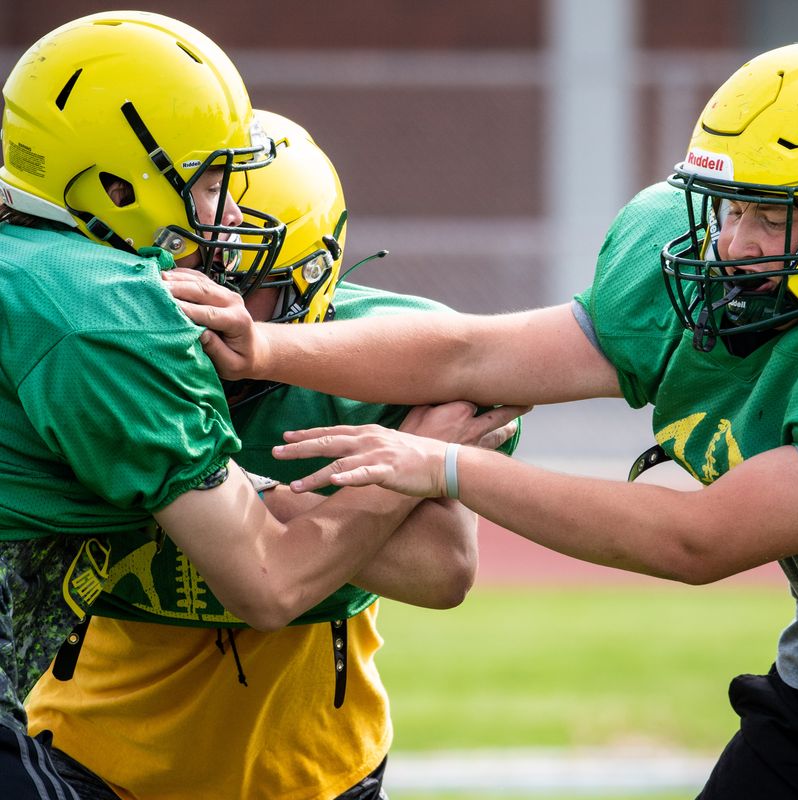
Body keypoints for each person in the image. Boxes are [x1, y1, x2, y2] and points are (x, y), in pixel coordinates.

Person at [168, 42, 798, 799]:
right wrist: (264, 347)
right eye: (729, 204)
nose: (734, 239)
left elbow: (695, 538)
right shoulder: (701, 261)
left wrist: (441, 467)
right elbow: (472, 350)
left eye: (773, 213)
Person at [0, 12, 520, 797]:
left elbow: (443, 571)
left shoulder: (379, 357)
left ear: (318, 281)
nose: (212, 298)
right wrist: (395, 467)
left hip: (311, 766)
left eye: (244, 280)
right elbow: (270, 577)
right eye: (199, 248)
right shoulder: (103, 325)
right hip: (94, 750)